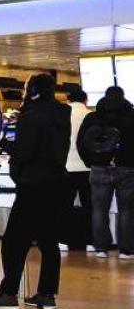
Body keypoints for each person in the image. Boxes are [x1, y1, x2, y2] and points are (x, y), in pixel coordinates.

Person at [0, 74, 69, 309]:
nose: (23, 92)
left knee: (13, 242)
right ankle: (46, 294)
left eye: (27, 87)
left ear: (35, 91)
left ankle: (8, 293)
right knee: (49, 242)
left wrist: (14, 157)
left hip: (33, 186)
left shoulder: (31, 117)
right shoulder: (62, 114)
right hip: (56, 183)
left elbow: (26, 153)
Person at [77, 86, 134, 259]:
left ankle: (101, 247)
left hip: (99, 168)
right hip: (128, 168)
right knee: (127, 210)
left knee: (99, 209)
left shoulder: (93, 117)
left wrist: (91, 162)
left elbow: (81, 143)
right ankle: (126, 249)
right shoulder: (131, 117)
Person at [59, 88, 93, 253]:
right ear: (85, 100)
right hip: (87, 167)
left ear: (68, 99)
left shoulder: (61, 114)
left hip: (65, 167)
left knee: (65, 205)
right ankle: (90, 242)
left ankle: (63, 240)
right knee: (89, 206)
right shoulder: (90, 115)